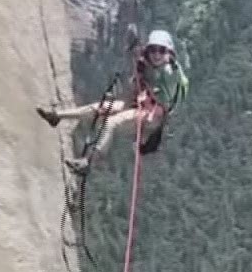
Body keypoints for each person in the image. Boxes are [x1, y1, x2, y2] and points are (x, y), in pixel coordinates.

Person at [38, 28, 189, 173]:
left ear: (169, 53)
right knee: (100, 108)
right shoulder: (150, 64)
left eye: (161, 50)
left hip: (152, 117)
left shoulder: (169, 73)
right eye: (153, 49)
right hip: (141, 106)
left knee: (111, 122)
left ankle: (88, 162)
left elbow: (165, 78)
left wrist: (144, 61)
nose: (156, 54)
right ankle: (57, 116)